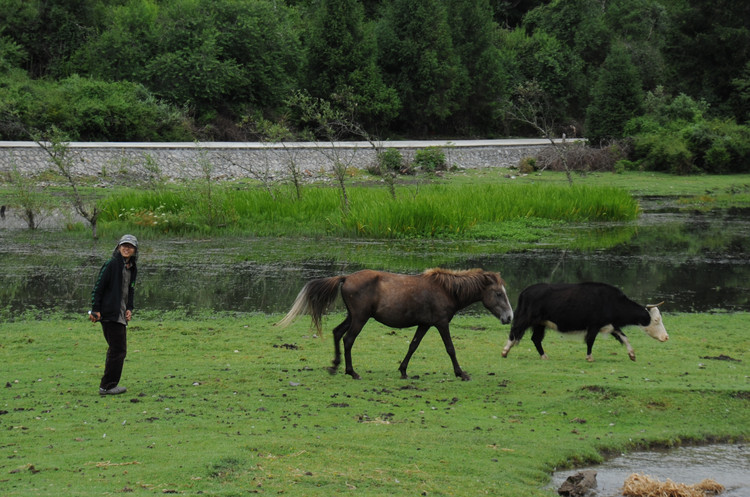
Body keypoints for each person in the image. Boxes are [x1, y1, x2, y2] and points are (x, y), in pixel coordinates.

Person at [89, 234, 139, 395]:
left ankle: (108, 385)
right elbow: (98, 288)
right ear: (118, 247)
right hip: (110, 313)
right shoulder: (111, 265)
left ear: (134, 250)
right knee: (118, 349)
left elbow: (130, 290)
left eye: (130, 246)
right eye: (124, 245)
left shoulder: (132, 267)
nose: (126, 248)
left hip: (121, 314)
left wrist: (129, 308)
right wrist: (96, 309)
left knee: (117, 349)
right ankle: (107, 386)